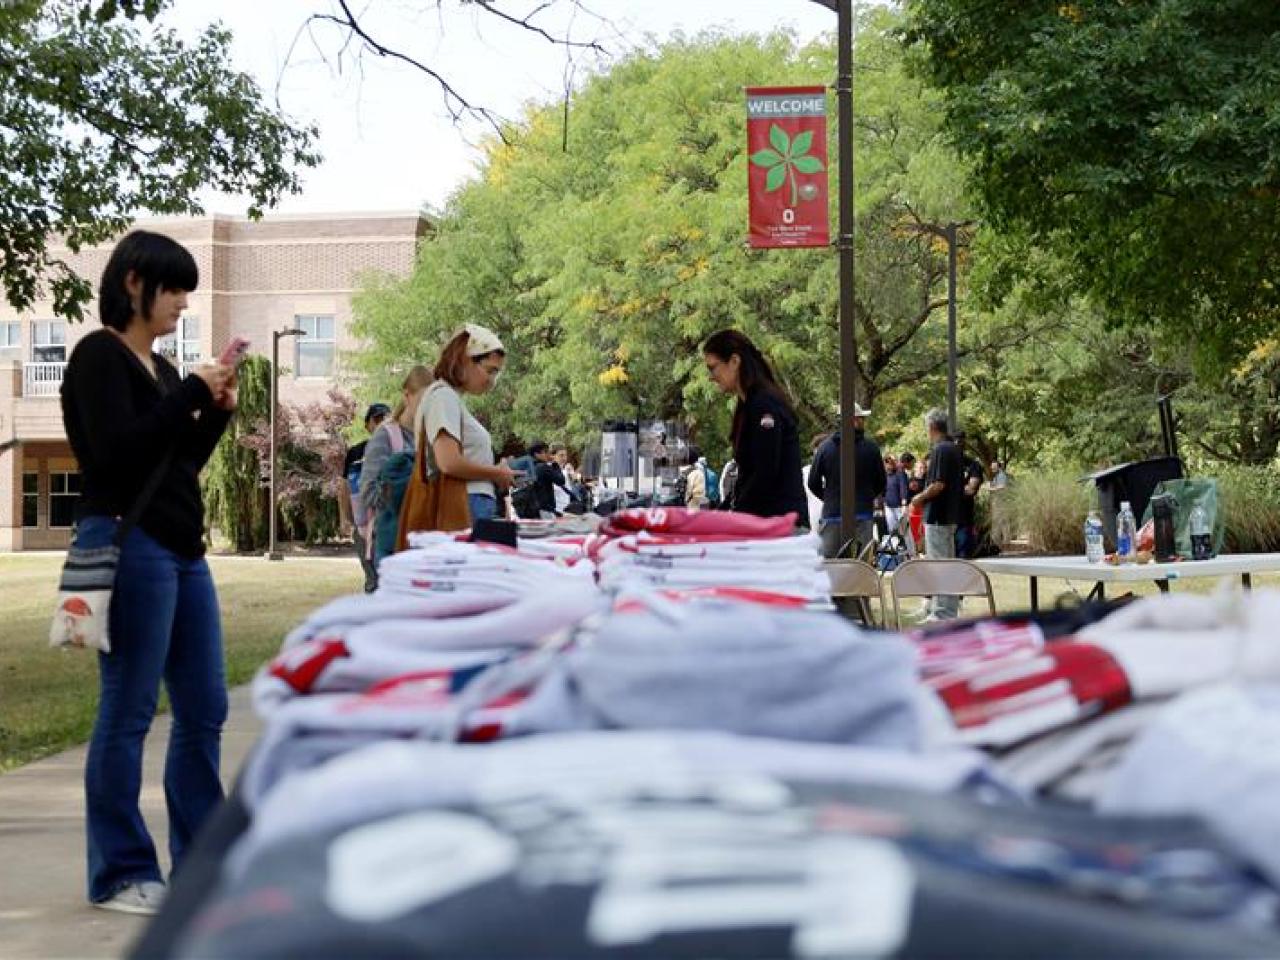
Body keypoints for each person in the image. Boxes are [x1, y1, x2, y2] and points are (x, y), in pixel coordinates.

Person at [60, 231, 237, 915]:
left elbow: (176, 462)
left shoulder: (162, 372)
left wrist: (213, 413)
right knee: (130, 709)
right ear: (134, 283)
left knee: (206, 708)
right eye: (175, 289)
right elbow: (111, 457)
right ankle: (121, 871)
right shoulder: (98, 356)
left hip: (182, 550)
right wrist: (187, 390)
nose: (184, 304)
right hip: (129, 546)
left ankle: (199, 862)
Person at [416, 325, 519, 525]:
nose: (492, 381)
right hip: (463, 503)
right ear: (465, 360)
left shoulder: (449, 399)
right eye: (490, 371)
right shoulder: (443, 397)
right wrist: (497, 473)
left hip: (469, 501)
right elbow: (449, 462)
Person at [703, 330, 807, 524]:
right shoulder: (748, 406)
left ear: (734, 361)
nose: (711, 377)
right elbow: (746, 477)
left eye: (712, 368)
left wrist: (733, 517)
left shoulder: (764, 405)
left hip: (779, 526)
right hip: (766, 523)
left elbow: (765, 473)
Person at [358, 367, 433, 582]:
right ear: (407, 396)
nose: (428, 408)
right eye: (424, 400)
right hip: (392, 544)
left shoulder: (430, 436)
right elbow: (368, 492)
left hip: (422, 544)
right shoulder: (385, 435)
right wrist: (405, 489)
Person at [807, 404, 887, 559]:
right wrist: (866, 497)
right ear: (854, 420)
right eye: (861, 418)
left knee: (830, 565)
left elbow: (813, 482)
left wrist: (830, 498)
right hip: (863, 514)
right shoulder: (871, 448)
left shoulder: (825, 448)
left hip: (833, 514)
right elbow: (881, 482)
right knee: (862, 567)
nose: (863, 422)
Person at [909, 409, 966, 620]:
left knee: (940, 565)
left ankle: (943, 613)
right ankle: (942, 609)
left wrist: (919, 498)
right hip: (947, 516)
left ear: (932, 427)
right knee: (944, 564)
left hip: (939, 516)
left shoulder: (941, 449)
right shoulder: (952, 448)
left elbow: (938, 484)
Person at [344, 403, 390, 592]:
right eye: (377, 419)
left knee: (387, 574)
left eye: (386, 419)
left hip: (386, 520)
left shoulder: (395, 448)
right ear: (367, 425)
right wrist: (345, 518)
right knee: (371, 576)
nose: (381, 423)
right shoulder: (355, 453)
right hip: (362, 521)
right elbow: (344, 486)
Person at [953, 430, 986, 559]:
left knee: (963, 557)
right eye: (955, 441)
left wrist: (950, 490)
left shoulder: (973, 465)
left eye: (960, 440)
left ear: (964, 443)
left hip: (964, 518)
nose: (957, 443)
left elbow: (971, 490)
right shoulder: (945, 465)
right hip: (946, 520)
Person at [884, 453, 908, 533]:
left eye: (892, 461)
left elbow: (903, 489)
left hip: (900, 507)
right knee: (892, 531)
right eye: (887, 461)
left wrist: (904, 505)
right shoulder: (884, 475)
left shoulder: (900, 474)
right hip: (888, 507)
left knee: (904, 531)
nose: (890, 463)